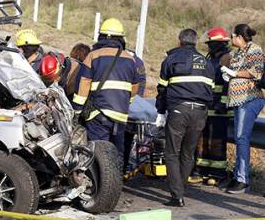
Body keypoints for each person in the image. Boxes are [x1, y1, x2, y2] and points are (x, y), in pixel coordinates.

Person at [155, 29, 214, 207]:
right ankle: (181, 187)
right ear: (195, 42)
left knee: (172, 152)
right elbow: (210, 90)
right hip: (200, 112)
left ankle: (176, 195)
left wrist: (160, 111)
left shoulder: (171, 59)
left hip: (179, 110)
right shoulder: (207, 62)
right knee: (188, 153)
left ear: (180, 41)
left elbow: (162, 89)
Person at [73, 18, 140, 161]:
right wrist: (124, 104)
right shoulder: (130, 59)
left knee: (97, 153)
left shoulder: (93, 55)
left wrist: (77, 110)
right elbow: (135, 87)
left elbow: (83, 83)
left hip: (98, 113)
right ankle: (116, 182)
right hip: (120, 115)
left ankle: (97, 182)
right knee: (117, 154)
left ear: (101, 37)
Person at [221, 24, 265, 194]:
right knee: (240, 139)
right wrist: (228, 72)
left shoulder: (254, 49)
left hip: (250, 99)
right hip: (238, 101)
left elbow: (257, 72)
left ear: (239, 36)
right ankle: (238, 176)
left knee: (241, 138)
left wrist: (235, 74)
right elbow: (228, 62)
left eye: (232, 36)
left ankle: (242, 180)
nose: (231, 39)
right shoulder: (238, 52)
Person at [190, 27, 232, 186]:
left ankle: (218, 173)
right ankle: (202, 170)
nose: (209, 46)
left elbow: (229, 83)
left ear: (221, 43)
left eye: (212, 43)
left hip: (220, 108)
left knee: (217, 141)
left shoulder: (227, 58)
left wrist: (223, 102)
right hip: (207, 106)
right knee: (203, 140)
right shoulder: (210, 58)